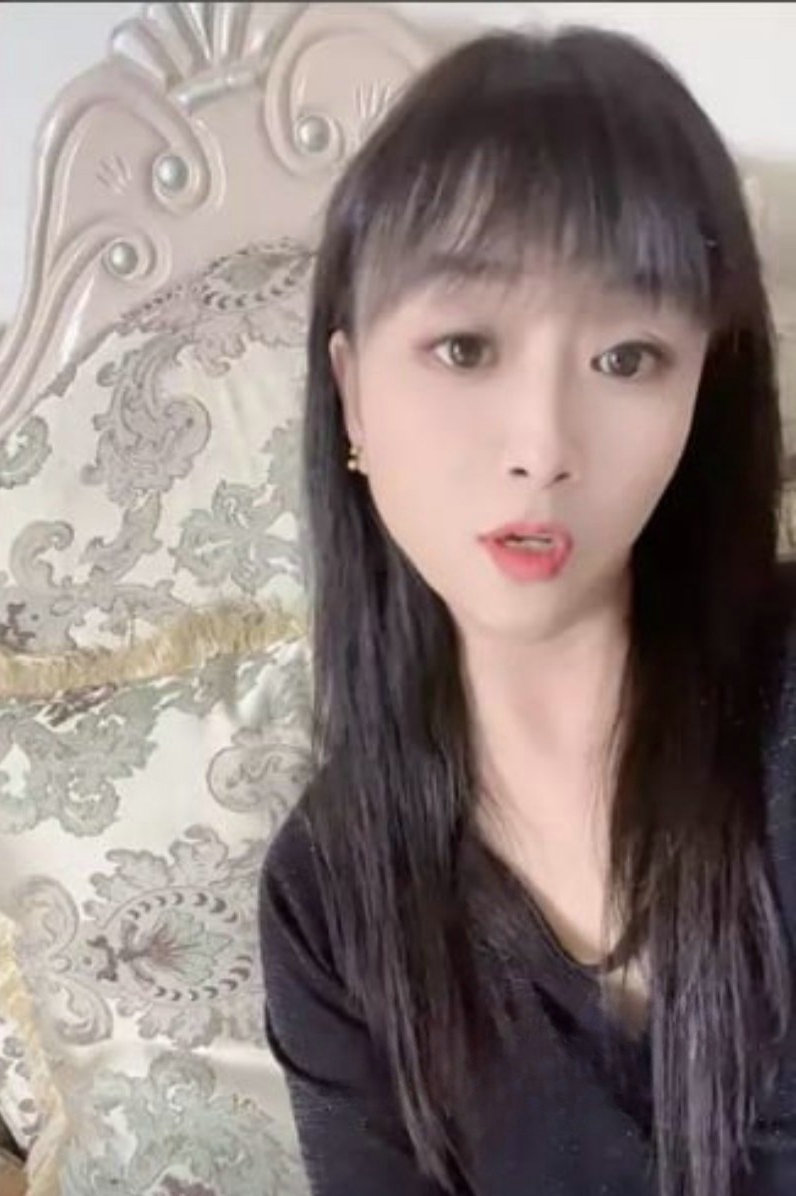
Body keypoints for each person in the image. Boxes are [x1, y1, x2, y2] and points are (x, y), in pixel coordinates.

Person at [259, 24, 796, 1196]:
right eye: (464, 347)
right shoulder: (328, 896)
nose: (542, 446)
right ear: (351, 393)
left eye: (626, 358)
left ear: (701, 391)